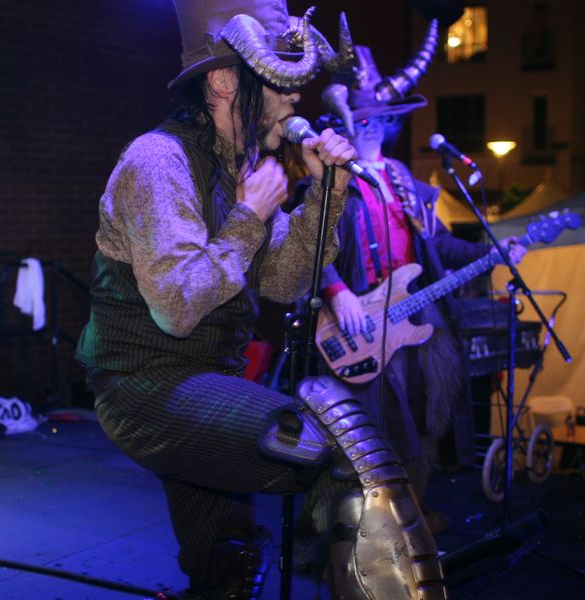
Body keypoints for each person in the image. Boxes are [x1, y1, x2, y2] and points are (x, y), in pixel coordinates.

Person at [74, 2, 446, 598]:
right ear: (225, 82)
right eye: (281, 83)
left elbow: (283, 282)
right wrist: (249, 216)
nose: (297, 97)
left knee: (227, 565)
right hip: (146, 387)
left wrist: (326, 191)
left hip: (209, 384)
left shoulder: (242, 167)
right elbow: (177, 308)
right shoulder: (158, 161)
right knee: (343, 456)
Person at [296, 33, 527, 532]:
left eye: (380, 118)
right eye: (362, 118)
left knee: (422, 417)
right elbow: (307, 242)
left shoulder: (405, 182)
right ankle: (353, 528)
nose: (371, 127)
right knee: (365, 429)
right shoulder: (332, 178)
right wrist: (336, 290)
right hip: (357, 325)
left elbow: (440, 246)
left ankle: (408, 515)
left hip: (413, 319)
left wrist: (493, 253)